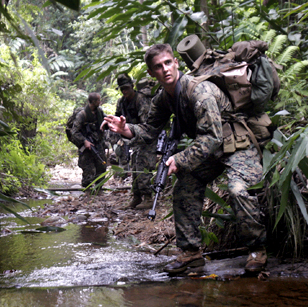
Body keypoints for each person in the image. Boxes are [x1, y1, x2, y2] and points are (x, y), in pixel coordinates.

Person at [103, 44, 267, 274]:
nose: (165, 70)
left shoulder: (200, 92)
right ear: (151, 73)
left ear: (176, 63)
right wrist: (125, 129)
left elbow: (212, 138)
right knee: (184, 187)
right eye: (158, 67)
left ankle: (257, 249)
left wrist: (179, 159)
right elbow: (149, 130)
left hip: (237, 144)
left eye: (168, 63)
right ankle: (191, 252)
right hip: (210, 149)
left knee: (238, 190)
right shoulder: (163, 98)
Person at [114, 73, 157, 209]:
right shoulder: (122, 102)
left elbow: (147, 124)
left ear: (133, 86)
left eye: (127, 88)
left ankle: (148, 197)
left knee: (143, 166)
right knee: (134, 167)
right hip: (133, 139)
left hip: (147, 137)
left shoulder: (141, 99)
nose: (125, 92)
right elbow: (117, 119)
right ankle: (137, 197)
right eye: (122, 89)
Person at [71, 92, 107, 190]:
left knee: (102, 166)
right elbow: (74, 131)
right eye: (98, 100)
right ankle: (87, 190)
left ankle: (99, 189)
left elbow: (105, 121)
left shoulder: (99, 112)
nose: (100, 102)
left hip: (98, 144)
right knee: (88, 170)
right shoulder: (82, 114)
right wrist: (84, 141)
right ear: (93, 101)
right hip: (87, 146)